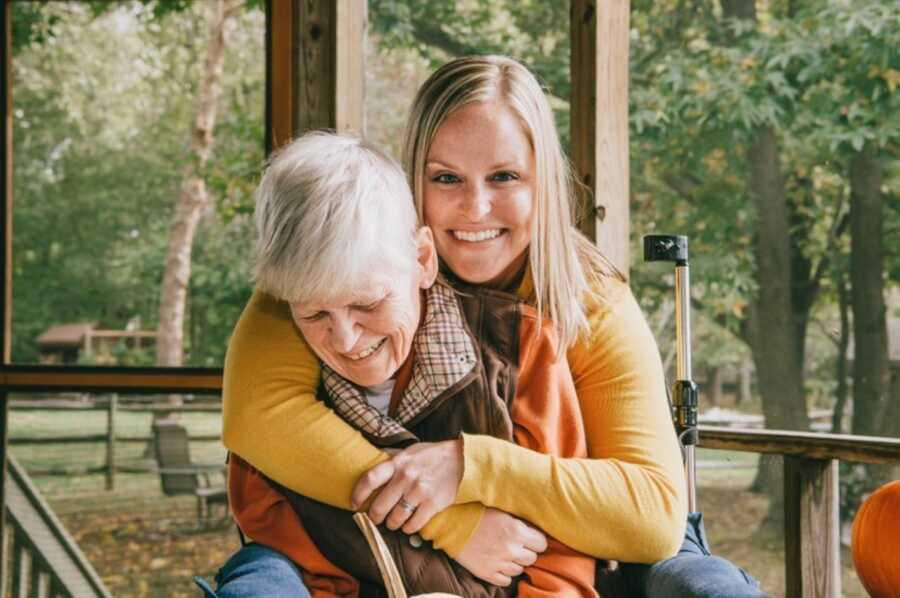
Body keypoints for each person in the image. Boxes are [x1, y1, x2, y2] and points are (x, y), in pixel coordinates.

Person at [212, 55, 762, 597]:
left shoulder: (589, 302)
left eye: (504, 177)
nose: (475, 208)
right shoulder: (340, 264)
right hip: (377, 550)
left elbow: (651, 517)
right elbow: (259, 414)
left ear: (541, 182)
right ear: (414, 181)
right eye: (446, 177)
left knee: (706, 584)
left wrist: (468, 466)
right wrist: (454, 520)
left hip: (583, 546)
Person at [199, 131, 599, 597]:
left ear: (423, 259)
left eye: (367, 304)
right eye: (314, 314)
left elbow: (563, 552)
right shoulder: (275, 400)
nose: (345, 339)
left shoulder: (523, 349)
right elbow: (286, 547)